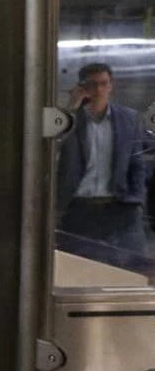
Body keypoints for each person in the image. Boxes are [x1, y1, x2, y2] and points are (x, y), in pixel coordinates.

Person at [56, 63, 147, 252]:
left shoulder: (128, 119)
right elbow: (54, 147)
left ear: (110, 86)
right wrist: (72, 108)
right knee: (76, 268)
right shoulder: (71, 119)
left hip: (119, 207)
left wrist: (137, 198)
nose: (98, 90)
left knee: (127, 270)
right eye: (92, 84)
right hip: (78, 208)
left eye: (103, 83)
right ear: (82, 87)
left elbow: (137, 162)